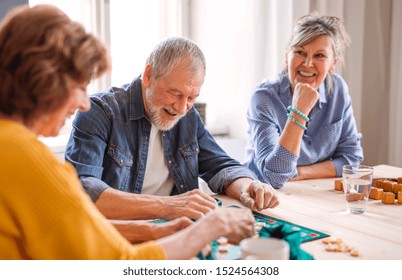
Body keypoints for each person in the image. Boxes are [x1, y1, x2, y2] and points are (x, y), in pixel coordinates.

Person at [0, 4, 256, 260]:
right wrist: (210, 227)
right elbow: (123, 262)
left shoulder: (10, 143)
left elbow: (79, 229)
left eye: (190, 97)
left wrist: (157, 232)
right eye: (79, 86)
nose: (83, 102)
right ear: (43, 80)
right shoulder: (25, 155)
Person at [65, 36, 279, 242]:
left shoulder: (188, 116)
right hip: (121, 238)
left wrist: (247, 187)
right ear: (148, 75)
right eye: (175, 94)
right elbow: (84, 191)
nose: (181, 108)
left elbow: (220, 166)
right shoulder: (99, 111)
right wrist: (168, 206)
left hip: (176, 233)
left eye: (191, 98)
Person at [243, 14, 364, 189]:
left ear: (332, 64)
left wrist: (301, 172)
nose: (308, 63)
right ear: (286, 57)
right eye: (300, 52)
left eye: (320, 56)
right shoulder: (264, 97)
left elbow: (351, 159)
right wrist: (299, 110)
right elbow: (274, 177)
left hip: (310, 190)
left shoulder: (338, 90)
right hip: (261, 195)